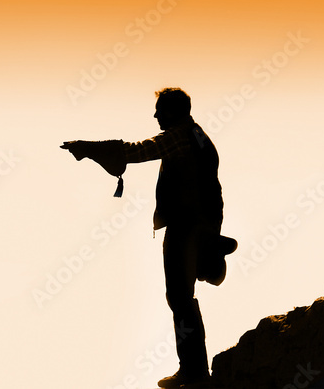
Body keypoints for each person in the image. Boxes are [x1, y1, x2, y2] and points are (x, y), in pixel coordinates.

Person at [62, 88, 234, 388]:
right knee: (183, 297)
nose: (155, 116)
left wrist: (88, 148)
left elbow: (137, 152)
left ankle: (193, 372)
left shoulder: (179, 137)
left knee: (179, 298)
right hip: (201, 225)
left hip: (185, 228)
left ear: (173, 111)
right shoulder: (199, 136)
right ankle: (193, 369)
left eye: (160, 110)